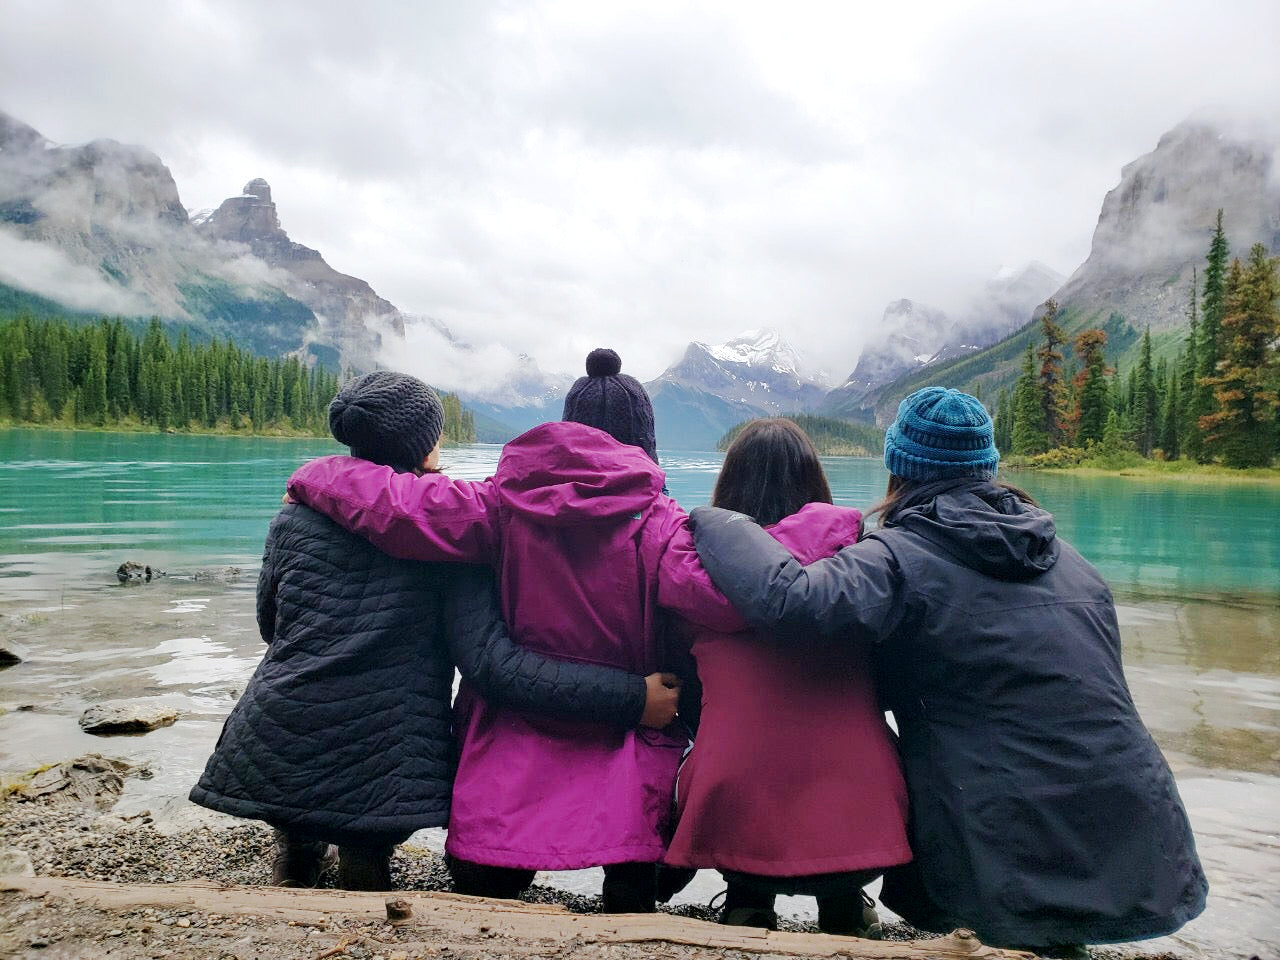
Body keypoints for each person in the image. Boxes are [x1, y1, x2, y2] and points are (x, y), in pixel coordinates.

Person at [688, 386, 1207, 955]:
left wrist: (721, 521)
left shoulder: (897, 556)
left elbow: (789, 603)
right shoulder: (1070, 560)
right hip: (1130, 819)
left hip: (1005, 829)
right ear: (988, 466)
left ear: (899, 468)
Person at [284, 350, 744, 911]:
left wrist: (317, 472)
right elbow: (725, 603)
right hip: (627, 741)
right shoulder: (664, 524)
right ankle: (628, 879)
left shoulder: (497, 504)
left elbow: (399, 507)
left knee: (486, 884)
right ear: (644, 443)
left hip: (512, 750)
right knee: (650, 810)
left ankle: (502, 864)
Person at [190, 371, 678, 890]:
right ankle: (362, 869)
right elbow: (475, 648)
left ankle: (298, 864)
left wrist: (315, 476)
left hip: (284, 721)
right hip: (391, 743)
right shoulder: (456, 536)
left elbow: (272, 622)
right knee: (368, 850)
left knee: (315, 838)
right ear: (426, 447)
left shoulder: (305, 518)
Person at [662, 418, 912, 935]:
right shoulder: (858, 563)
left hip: (726, 815)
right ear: (815, 482)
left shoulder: (689, 571)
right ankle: (844, 906)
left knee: (717, 736)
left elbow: (686, 697)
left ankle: (748, 902)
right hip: (865, 813)